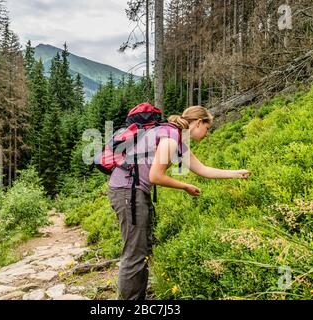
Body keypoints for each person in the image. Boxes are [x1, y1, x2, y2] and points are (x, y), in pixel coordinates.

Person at [107, 105, 250, 300]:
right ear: (198, 122)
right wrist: (185, 186)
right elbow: (156, 176)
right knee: (135, 254)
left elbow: (203, 169)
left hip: (132, 192)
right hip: (128, 193)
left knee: (142, 249)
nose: (207, 134)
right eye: (207, 128)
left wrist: (236, 174)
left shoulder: (175, 137)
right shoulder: (171, 136)